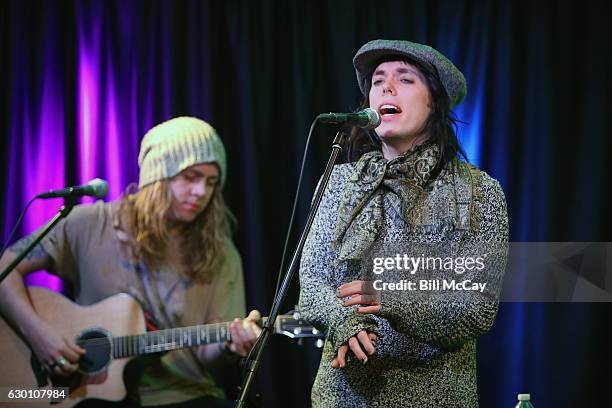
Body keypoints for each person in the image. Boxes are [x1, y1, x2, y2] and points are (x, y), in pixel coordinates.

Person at [298, 39, 508, 407]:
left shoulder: (478, 192)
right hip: (342, 395)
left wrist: (388, 297)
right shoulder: (339, 181)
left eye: (405, 79)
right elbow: (312, 281)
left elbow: (476, 307)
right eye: (378, 81)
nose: (386, 88)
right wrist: (342, 321)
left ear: (435, 101)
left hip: (433, 394)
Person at [0, 117, 260, 407]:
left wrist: (229, 343)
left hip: (185, 396)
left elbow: (206, 355)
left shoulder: (221, 253)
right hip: (85, 393)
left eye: (211, 182)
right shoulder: (90, 224)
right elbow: (4, 270)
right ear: (158, 176)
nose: (202, 191)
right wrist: (40, 336)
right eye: (190, 176)